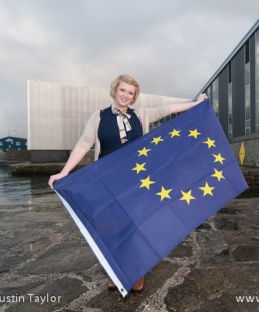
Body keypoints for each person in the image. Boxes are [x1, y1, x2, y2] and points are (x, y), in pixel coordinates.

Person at [48, 74, 208, 292]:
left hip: (137, 181)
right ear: (115, 90)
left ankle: (136, 271)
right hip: (107, 182)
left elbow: (168, 109)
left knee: (135, 226)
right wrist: (64, 172)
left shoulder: (141, 114)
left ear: (134, 97)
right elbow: (84, 142)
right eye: (122, 90)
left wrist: (196, 104)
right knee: (113, 226)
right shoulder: (98, 116)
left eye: (130, 93)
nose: (125, 95)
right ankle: (116, 271)